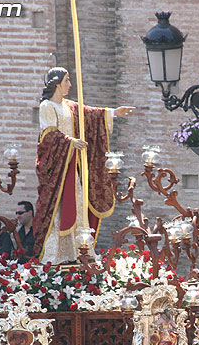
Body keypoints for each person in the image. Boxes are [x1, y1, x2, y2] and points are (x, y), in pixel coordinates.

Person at [33, 67, 133, 264]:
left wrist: (114, 112)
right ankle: (56, 254)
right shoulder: (47, 106)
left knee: (78, 204)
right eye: (67, 80)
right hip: (58, 168)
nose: (70, 85)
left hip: (73, 165)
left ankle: (78, 250)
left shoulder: (69, 106)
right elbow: (48, 136)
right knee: (60, 207)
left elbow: (91, 115)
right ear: (56, 83)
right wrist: (70, 142)